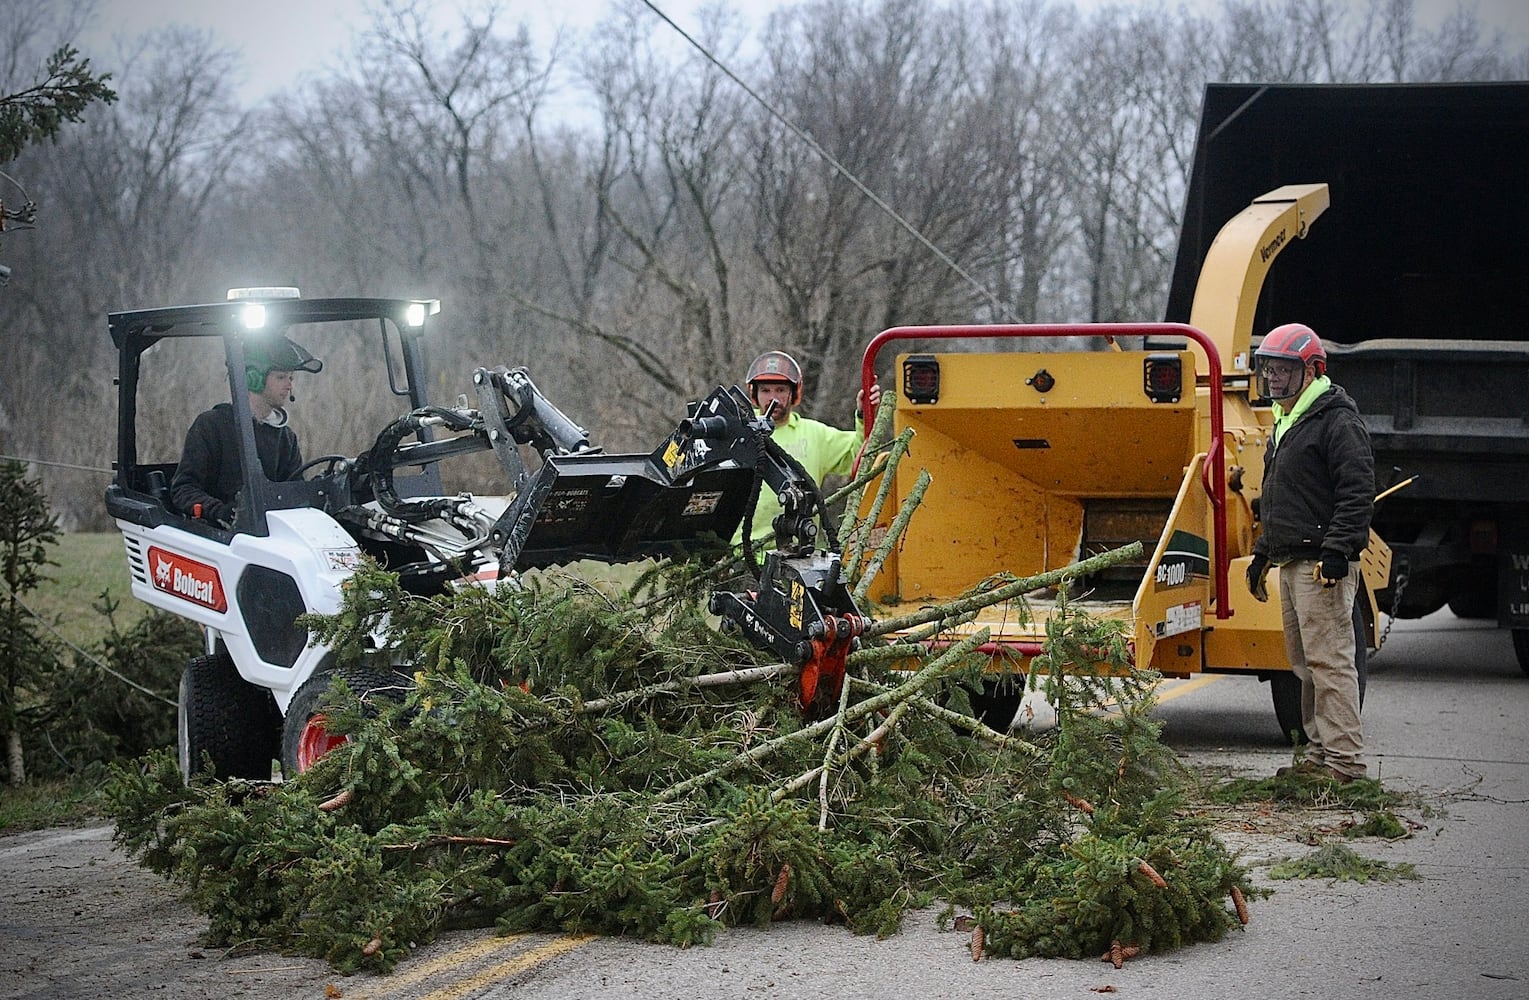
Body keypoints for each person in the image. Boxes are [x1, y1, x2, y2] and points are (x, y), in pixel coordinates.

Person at [1245, 323, 1374, 783]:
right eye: (1269, 369)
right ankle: (1320, 755)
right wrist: (1263, 553)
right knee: (1305, 665)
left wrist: (1338, 551)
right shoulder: (1288, 419)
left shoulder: (1336, 419)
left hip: (1322, 566)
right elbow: (1284, 499)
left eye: (1284, 370)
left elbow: (1358, 492)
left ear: (1311, 370)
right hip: (1293, 559)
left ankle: (1345, 765)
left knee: (1331, 662)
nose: (1274, 378)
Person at [732, 350, 880, 549]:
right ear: (754, 394)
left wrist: (864, 414)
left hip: (798, 555)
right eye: (765, 390)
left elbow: (859, 455)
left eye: (780, 390)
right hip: (743, 556)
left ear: (794, 393)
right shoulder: (737, 434)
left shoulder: (815, 435)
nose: (772, 397)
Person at [171, 335, 323, 527]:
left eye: (290, 378)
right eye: (281, 377)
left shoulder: (286, 437)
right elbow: (183, 489)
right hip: (219, 537)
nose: (289, 385)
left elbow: (293, 491)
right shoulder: (211, 426)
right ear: (253, 377)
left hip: (268, 534)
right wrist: (221, 512)